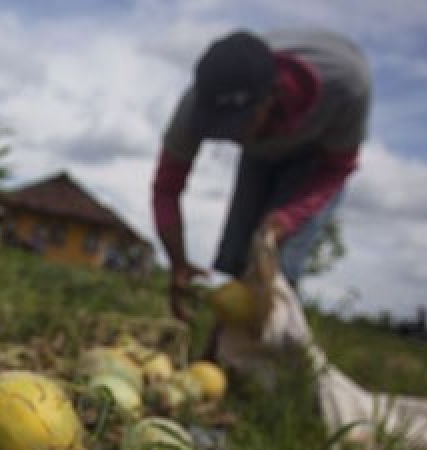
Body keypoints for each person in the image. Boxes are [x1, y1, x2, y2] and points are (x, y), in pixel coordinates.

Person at [152, 29, 372, 320]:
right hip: (262, 153)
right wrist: (178, 264)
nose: (231, 136)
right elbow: (166, 188)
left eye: (238, 123)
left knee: (276, 268)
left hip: (318, 157)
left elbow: (337, 168)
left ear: (272, 93)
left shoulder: (346, 88)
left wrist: (286, 219)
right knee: (231, 261)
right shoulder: (196, 106)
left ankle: (263, 357)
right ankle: (216, 355)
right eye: (220, 128)